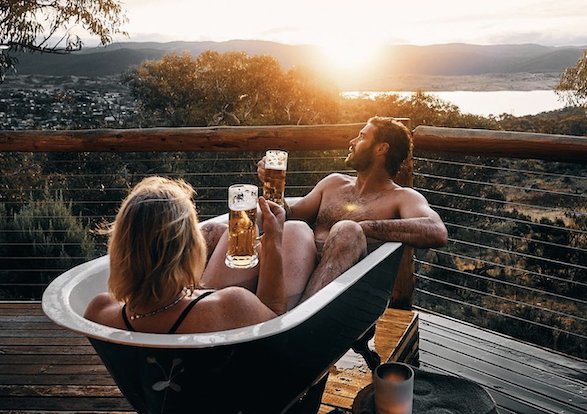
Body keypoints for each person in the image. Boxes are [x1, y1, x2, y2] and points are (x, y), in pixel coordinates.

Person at [202, 117, 448, 301]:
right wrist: (270, 185)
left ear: (381, 148)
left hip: (335, 293)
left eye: (361, 136)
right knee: (213, 230)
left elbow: (436, 231)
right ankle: (200, 305)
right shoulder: (333, 183)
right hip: (292, 262)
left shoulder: (402, 197)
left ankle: (298, 323)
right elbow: (289, 216)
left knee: (347, 230)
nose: (352, 142)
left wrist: (362, 228)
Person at [84, 176, 316, 334]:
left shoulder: (98, 310)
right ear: (189, 246)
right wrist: (273, 241)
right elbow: (276, 321)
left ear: (119, 247)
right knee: (299, 231)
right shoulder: (232, 305)